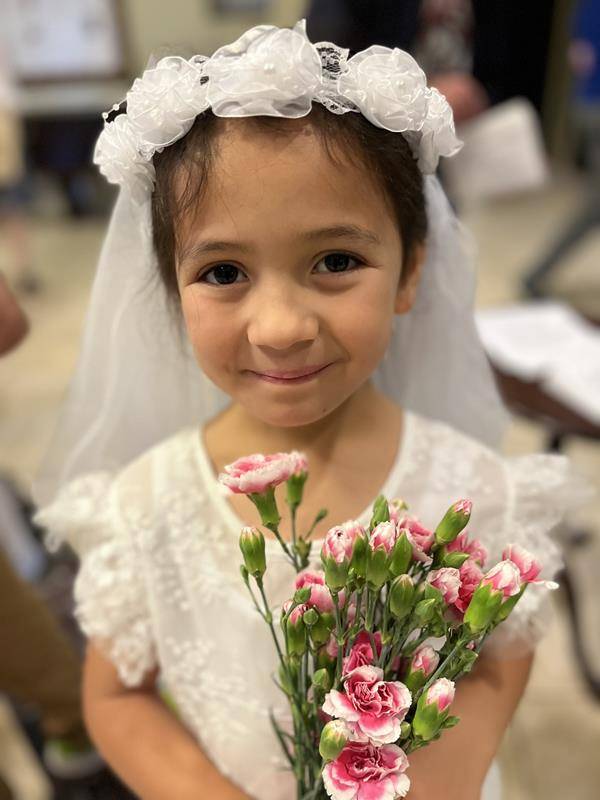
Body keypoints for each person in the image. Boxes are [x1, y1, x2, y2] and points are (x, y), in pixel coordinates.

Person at [32, 21, 584, 800]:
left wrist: (445, 779)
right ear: (169, 288)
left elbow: (501, 653)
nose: (282, 327)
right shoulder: (144, 505)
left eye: (336, 261)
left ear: (408, 273)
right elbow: (116, 693)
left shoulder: (470, 487)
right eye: (223, 271)